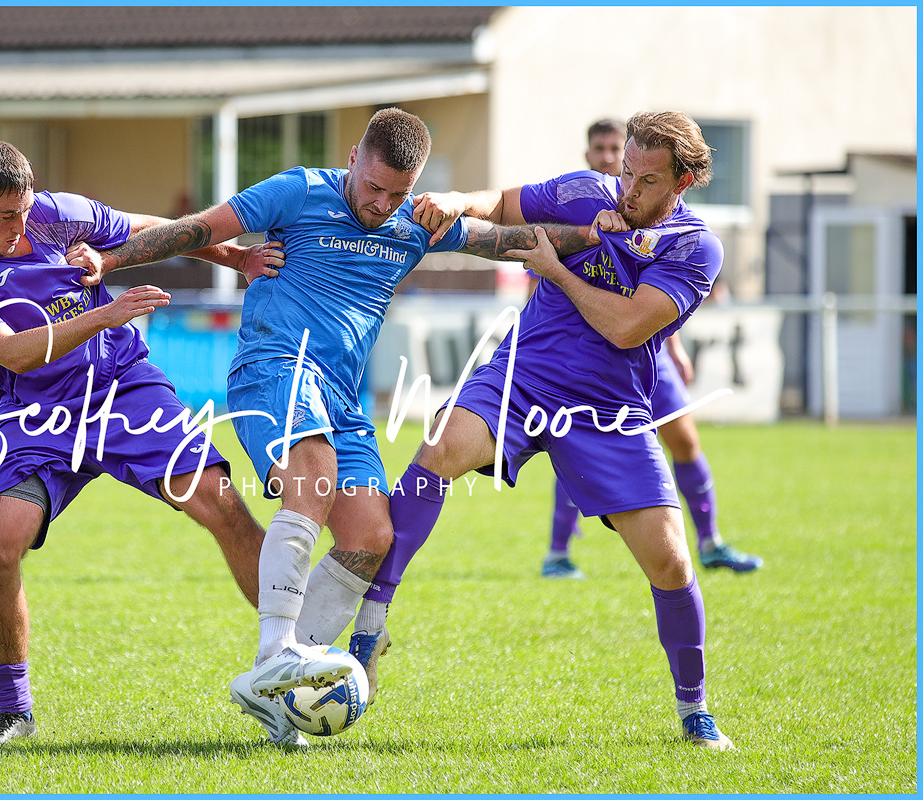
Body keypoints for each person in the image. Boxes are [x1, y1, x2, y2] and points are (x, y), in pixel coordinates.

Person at [71, 108, 607, 746]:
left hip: (345, 399)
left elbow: (515, 241)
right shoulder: (296, 191)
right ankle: (276, 655)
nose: (382, 204)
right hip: (274, 368)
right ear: (354, 156)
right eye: (373, 186)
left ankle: (286, 695)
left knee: (369, 534)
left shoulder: (417, 222)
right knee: (314, 473)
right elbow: (196, 229)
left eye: (397, 194)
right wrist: (110, 261)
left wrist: (613, 233)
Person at [370, 111, 736, 749]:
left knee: (673, 563)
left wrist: (560, 267)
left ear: (686, 180)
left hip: (609, 411)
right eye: (625, 172)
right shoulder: (584, 193)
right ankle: (369, 624)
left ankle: (694, 708)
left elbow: (626, 328)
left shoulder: (694, 247)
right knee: (441, 447)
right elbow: (505, 203)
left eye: (647, 181)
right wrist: (457, 201)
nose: (628, 189)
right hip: (522, 377)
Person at [0, 137, 282, 745]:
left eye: (26, 208)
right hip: (38, 414)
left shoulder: (54, 213)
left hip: (122, 386)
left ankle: (295, 661)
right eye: (7, 216)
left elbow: (158, 228)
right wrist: (101, 315)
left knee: (221, 503)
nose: (22, 224)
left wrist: (236, 258)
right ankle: (15, 714)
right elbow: (12, 351)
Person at [534, 118, 761, 578]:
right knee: (573, 443)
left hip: (648, 356)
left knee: (685, 439)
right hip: (593, 360)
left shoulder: (665, 220)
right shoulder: (584, 205)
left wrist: (674, 349)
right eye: (600, 150)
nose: (608, 158)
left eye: (615, 148)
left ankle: (712, 540)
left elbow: (653, 300)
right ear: (590, 158)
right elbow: (549, 274)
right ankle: (559, 551)